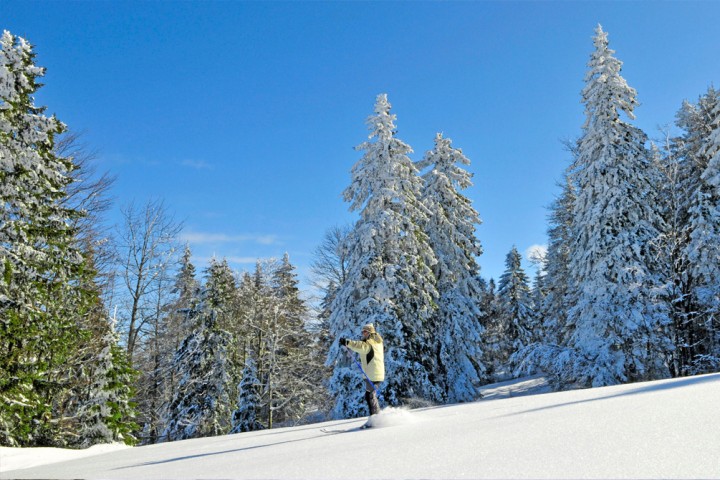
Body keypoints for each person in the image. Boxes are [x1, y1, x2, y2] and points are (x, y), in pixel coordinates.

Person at [339, 323, 384, 417]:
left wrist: (347, 342)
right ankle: (376, 417)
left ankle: (376, 419)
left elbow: (360, 346)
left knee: (370, 396)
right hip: (375, 373)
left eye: (365, 331)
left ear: (370, 332)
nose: (363, 333)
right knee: (370, 396)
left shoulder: (370, 343)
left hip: (373, 374)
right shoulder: (376, 341)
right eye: (362, 331)